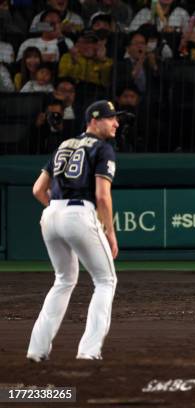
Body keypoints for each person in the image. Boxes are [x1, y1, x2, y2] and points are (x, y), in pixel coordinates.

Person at [26, 99, 121, 362]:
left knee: (63, 280)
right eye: (110, 118)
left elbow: (37, 189)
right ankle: (88, 352)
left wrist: (56, 210)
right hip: (79, 212)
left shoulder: (64, 144)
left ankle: (36, 350)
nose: (116, 123)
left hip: (51, 213)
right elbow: (102, 197)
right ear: (93, 120)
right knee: (105, 281)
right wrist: (110, 232)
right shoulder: (103, 149)